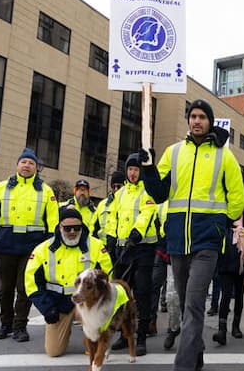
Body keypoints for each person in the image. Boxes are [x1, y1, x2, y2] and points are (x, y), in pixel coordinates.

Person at [140, 98, 244, 371]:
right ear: (188, 121)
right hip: (177, 241)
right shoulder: (174, 153)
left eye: (202, 116)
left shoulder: (225, 156)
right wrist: (149, 169)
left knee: (195, 304)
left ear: (209, 121)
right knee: (188, 305)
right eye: (193, 116)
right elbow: (159, 193)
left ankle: (183, 366)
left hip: (207, 243)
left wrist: (219, 224)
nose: (197, 120)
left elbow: (237, 199)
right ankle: (196, 356)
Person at [0, 147, 59, 342]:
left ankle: (20, 326)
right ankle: (5, 324)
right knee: (4, 289)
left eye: (31, 163)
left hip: (32, 249)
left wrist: (51, 247)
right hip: (6, 246)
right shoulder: (1, 187)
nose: (27, 165)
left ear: (36, 168)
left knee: (24, 289)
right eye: (24, 162)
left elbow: (53, 222)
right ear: (17, 165)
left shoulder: (46, 191)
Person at [24, 208, 112, 356]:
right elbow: (31, 282)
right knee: (53, 352)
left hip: (87, 303)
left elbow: (107, 277)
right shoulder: (43, 249)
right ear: (60, 227)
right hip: (58, 304)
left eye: (77, 228)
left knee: (97, 349)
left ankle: (93, 336)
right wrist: (47, 308)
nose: (72, 231)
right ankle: (66, 331)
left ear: (82, 227)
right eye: (67, 228)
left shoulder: (96, 246)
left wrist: (99, 303)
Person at [106, 153, 159, 357]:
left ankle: (142, 337)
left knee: (142, 292)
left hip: (143, 249)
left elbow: (147, 213)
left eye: (136, 169)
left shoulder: (148, 191)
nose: (133, 173)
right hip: (122, 250)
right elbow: (112, 215)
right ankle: (124, 334)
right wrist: (111, 236)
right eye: (130, 169)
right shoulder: (121, 194)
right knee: (122, 295)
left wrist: (136, 233)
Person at [211, 214, 244, 346]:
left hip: (241, 266)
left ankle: (236, 326)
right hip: (226, 264)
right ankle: (222, 330)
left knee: (239, 295)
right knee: (226, 296)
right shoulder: (223, 220)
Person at [149, 200, 170, 336]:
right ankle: (151, 322)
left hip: (177, 249)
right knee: (154, 285)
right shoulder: (159, 202)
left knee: (175, 292)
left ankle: (174, 326)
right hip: (160, 248)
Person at [91, 170, 125, 243]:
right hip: (103, 247)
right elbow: (93, 227)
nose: (116, 189)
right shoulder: (102, 204)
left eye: (118, 186)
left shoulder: (129, 204)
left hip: (122, 247)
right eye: (113, 187)